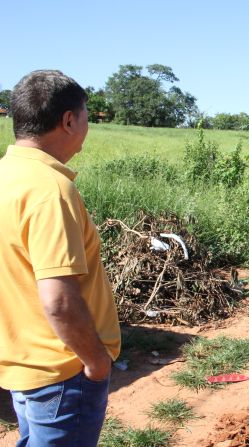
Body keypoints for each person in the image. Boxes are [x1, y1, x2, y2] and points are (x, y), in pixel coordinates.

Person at [0, 70, 121, 446]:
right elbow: (59, 300)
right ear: (69, 120)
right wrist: (97, 363)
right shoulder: (51, 190)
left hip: (21, 363)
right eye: (85, 116)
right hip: (62, 371)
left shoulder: (6, 175)